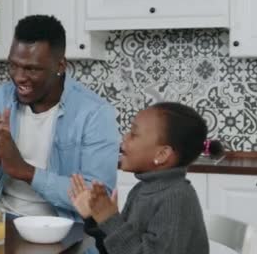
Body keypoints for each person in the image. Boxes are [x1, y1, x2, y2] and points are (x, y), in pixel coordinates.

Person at [0, 15, 120, 221]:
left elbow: (97, 199)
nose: (19, 77)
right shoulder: (0, 99)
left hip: (65, 229)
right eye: (13, 65)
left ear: (60, 66)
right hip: (4, 222)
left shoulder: (94, 113)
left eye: (31, 69)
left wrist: (27, 172)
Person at [69, 102, 222, 254]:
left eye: (134, 134)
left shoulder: (175, 198)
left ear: (162, 155)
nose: (125, 137)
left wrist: (109, 219)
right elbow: (118, 249)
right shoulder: (141, 190)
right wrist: (96, 217)